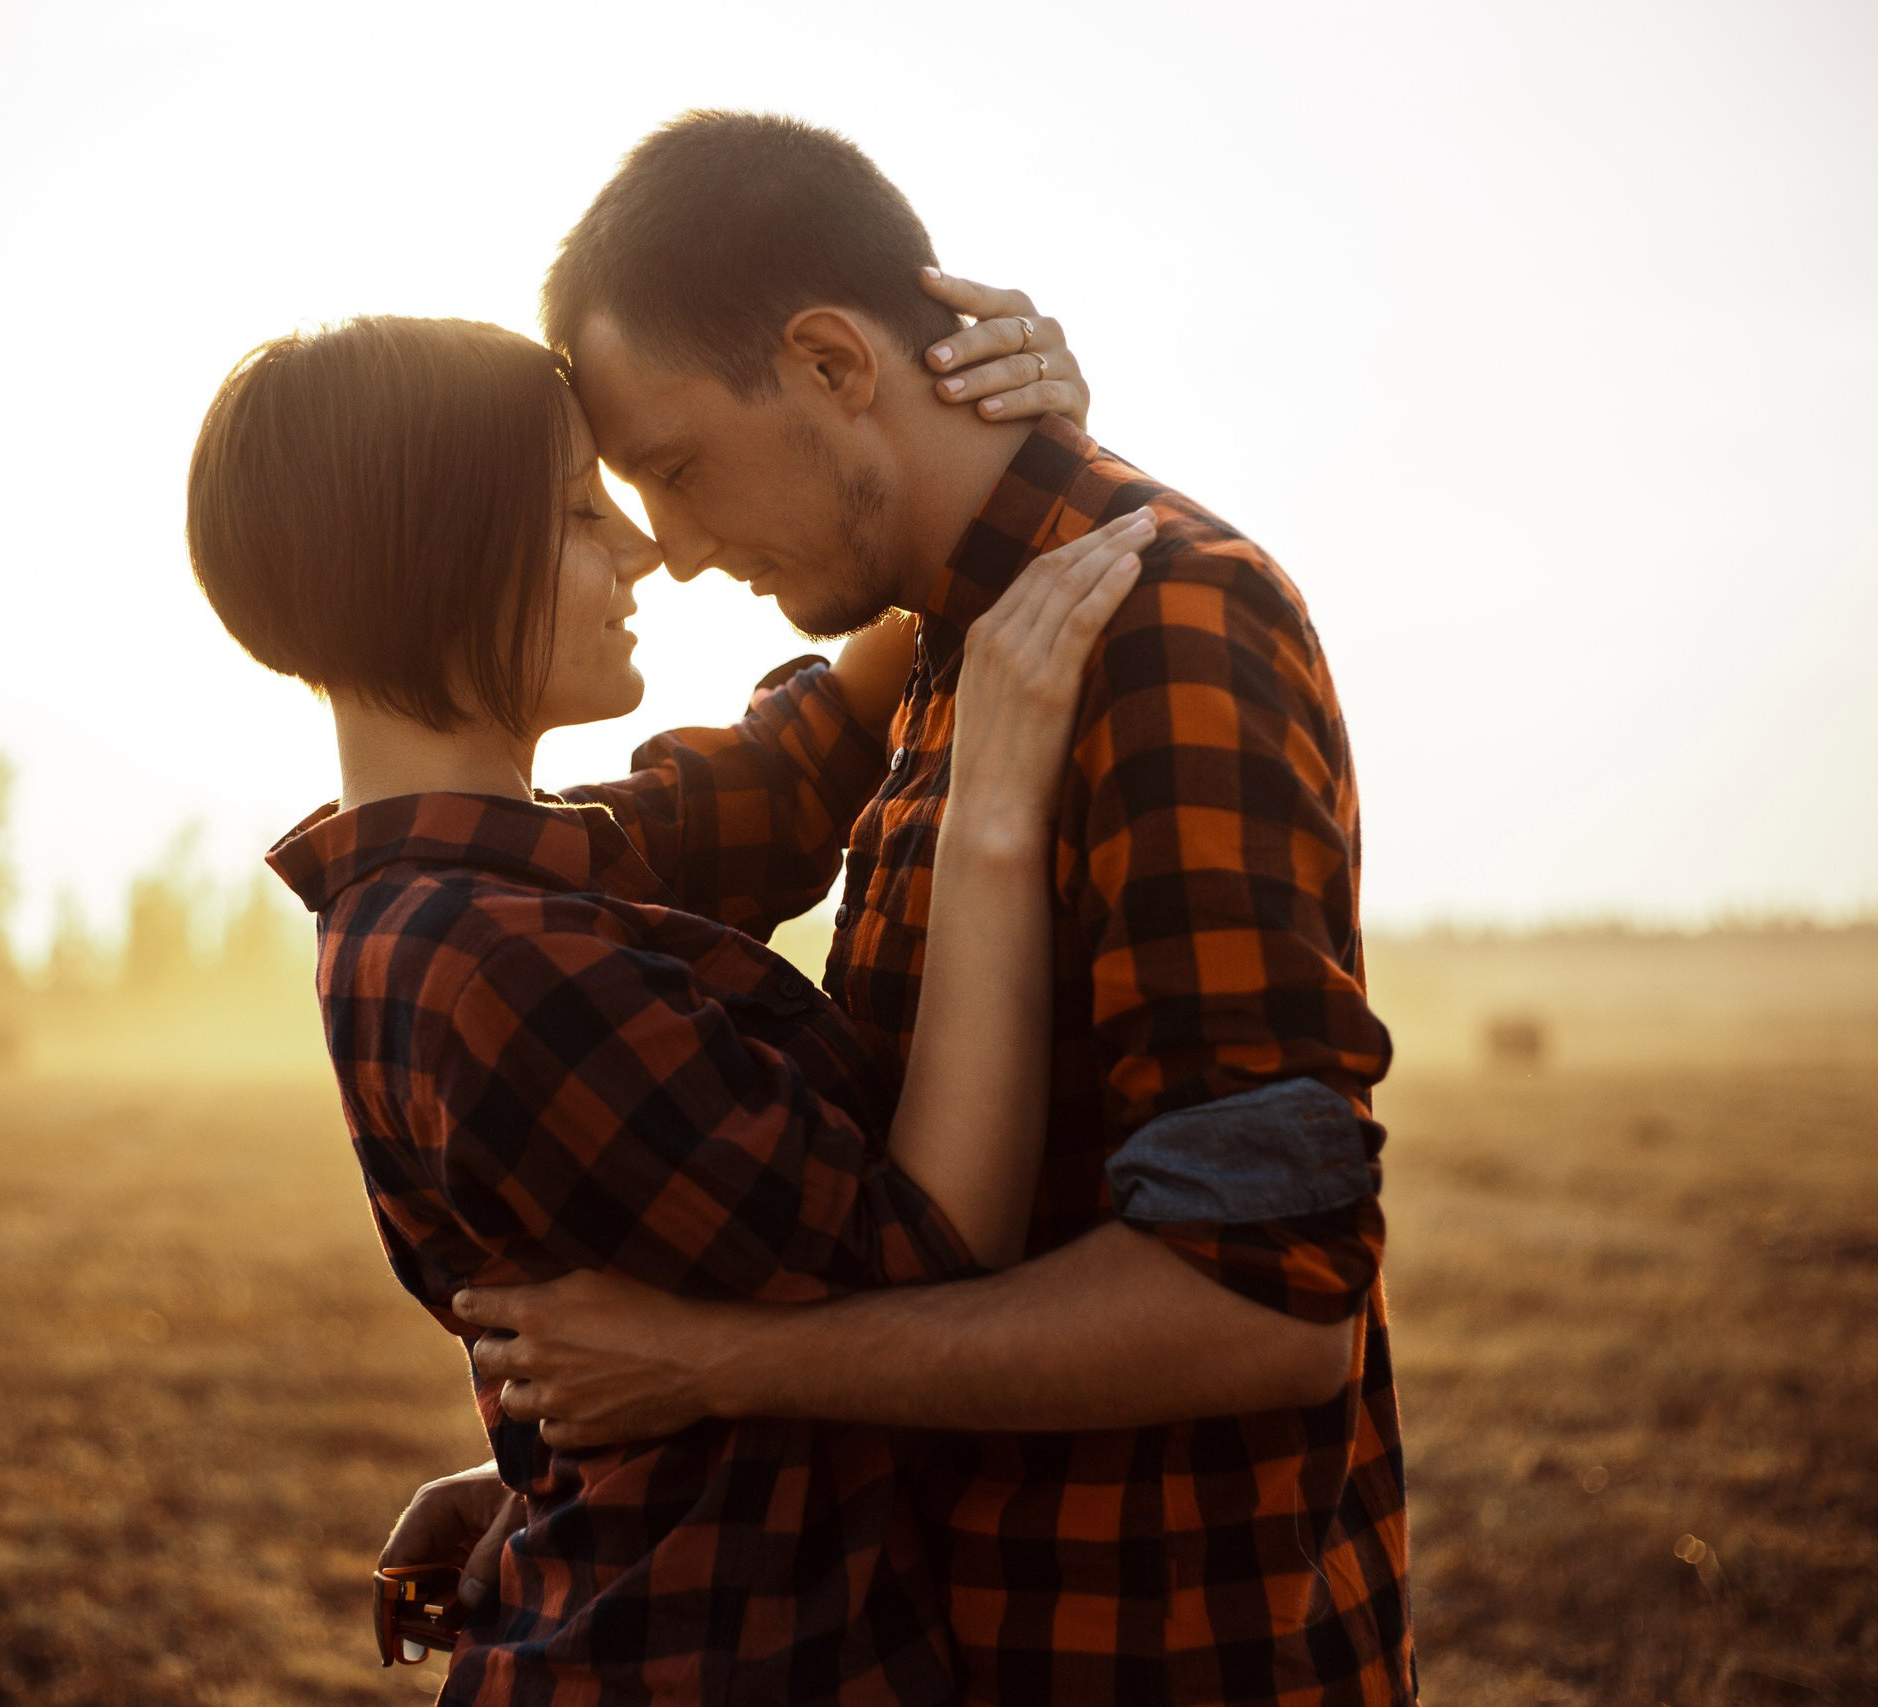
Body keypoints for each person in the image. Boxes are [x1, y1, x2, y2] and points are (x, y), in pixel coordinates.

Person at [434, 112, 1414, 1706]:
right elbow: (684, 831)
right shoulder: (954, 643)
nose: (667, 549)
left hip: (1156, 1651)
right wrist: (599, 1486)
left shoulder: (1167, 627)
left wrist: (708, 1374)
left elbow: (1266, 1304)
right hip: (943, 1628)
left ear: (831, 364)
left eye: (676, 470)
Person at [185, 293, 1143, 1704]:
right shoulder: (492, 964)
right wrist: (994, 800)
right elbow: (928, 1256)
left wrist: (997, 467)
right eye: (580, 512)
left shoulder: (475, 889)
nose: (643, 544)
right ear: (445, 565)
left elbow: (785, 772)